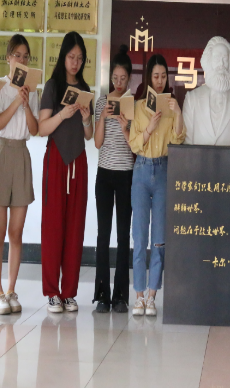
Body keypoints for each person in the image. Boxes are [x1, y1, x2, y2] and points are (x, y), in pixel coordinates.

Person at [37, 31, 93, 313]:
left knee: (75, 226)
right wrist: (63, 114)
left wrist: (86, 119)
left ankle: (69, 292)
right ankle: (52, 292)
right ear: (63, 56)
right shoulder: (53, 85)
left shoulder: (84, 88)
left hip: (78, 161)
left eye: (80, 58)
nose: (75, 63)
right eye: (72, 57)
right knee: (53, 226)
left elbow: (89, 135)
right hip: (56, 161)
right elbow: (41, 128)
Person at [128, 54, 186, 316]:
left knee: (159, 238)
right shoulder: (139, 106)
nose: (160, 81)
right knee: (140, 235)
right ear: (149, 78)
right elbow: (134, 144)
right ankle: (139, 295)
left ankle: (152, 296)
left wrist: (178, 113)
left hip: (163, 169)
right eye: (156, 76)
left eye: (163, 76)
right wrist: (150, 127)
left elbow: (178, 139)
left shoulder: (172, 106)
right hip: (141, 169)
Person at [0, 34, 40, 316]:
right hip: (1, 153)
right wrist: (15, 102)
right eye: (17, 55)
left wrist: (27, 103)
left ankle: (11, 290)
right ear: (8, 58)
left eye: (26, 56)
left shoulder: (32, 90)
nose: (22, 60)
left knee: (16, 232)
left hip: (21, 154)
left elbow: (34, 129)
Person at [92, 45, 135, 313]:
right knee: (103, 234)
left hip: (127, 174)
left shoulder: (133, 105)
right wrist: (103, 118)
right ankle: (102, 295)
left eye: (123, 78)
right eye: (115, 78)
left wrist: (125, 124)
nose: (119, 83)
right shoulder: (101, 102)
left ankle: (120, 296)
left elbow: (135, 147)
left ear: (129, 79)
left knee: (122, 235)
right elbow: (97, 143)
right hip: (105, 175)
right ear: (111, 78)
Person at [183, 36, 230, 147]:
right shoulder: (192, 99)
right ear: (208, 61)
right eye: (217, 58)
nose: (221, 64)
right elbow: (187, 144)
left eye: (225, 59)